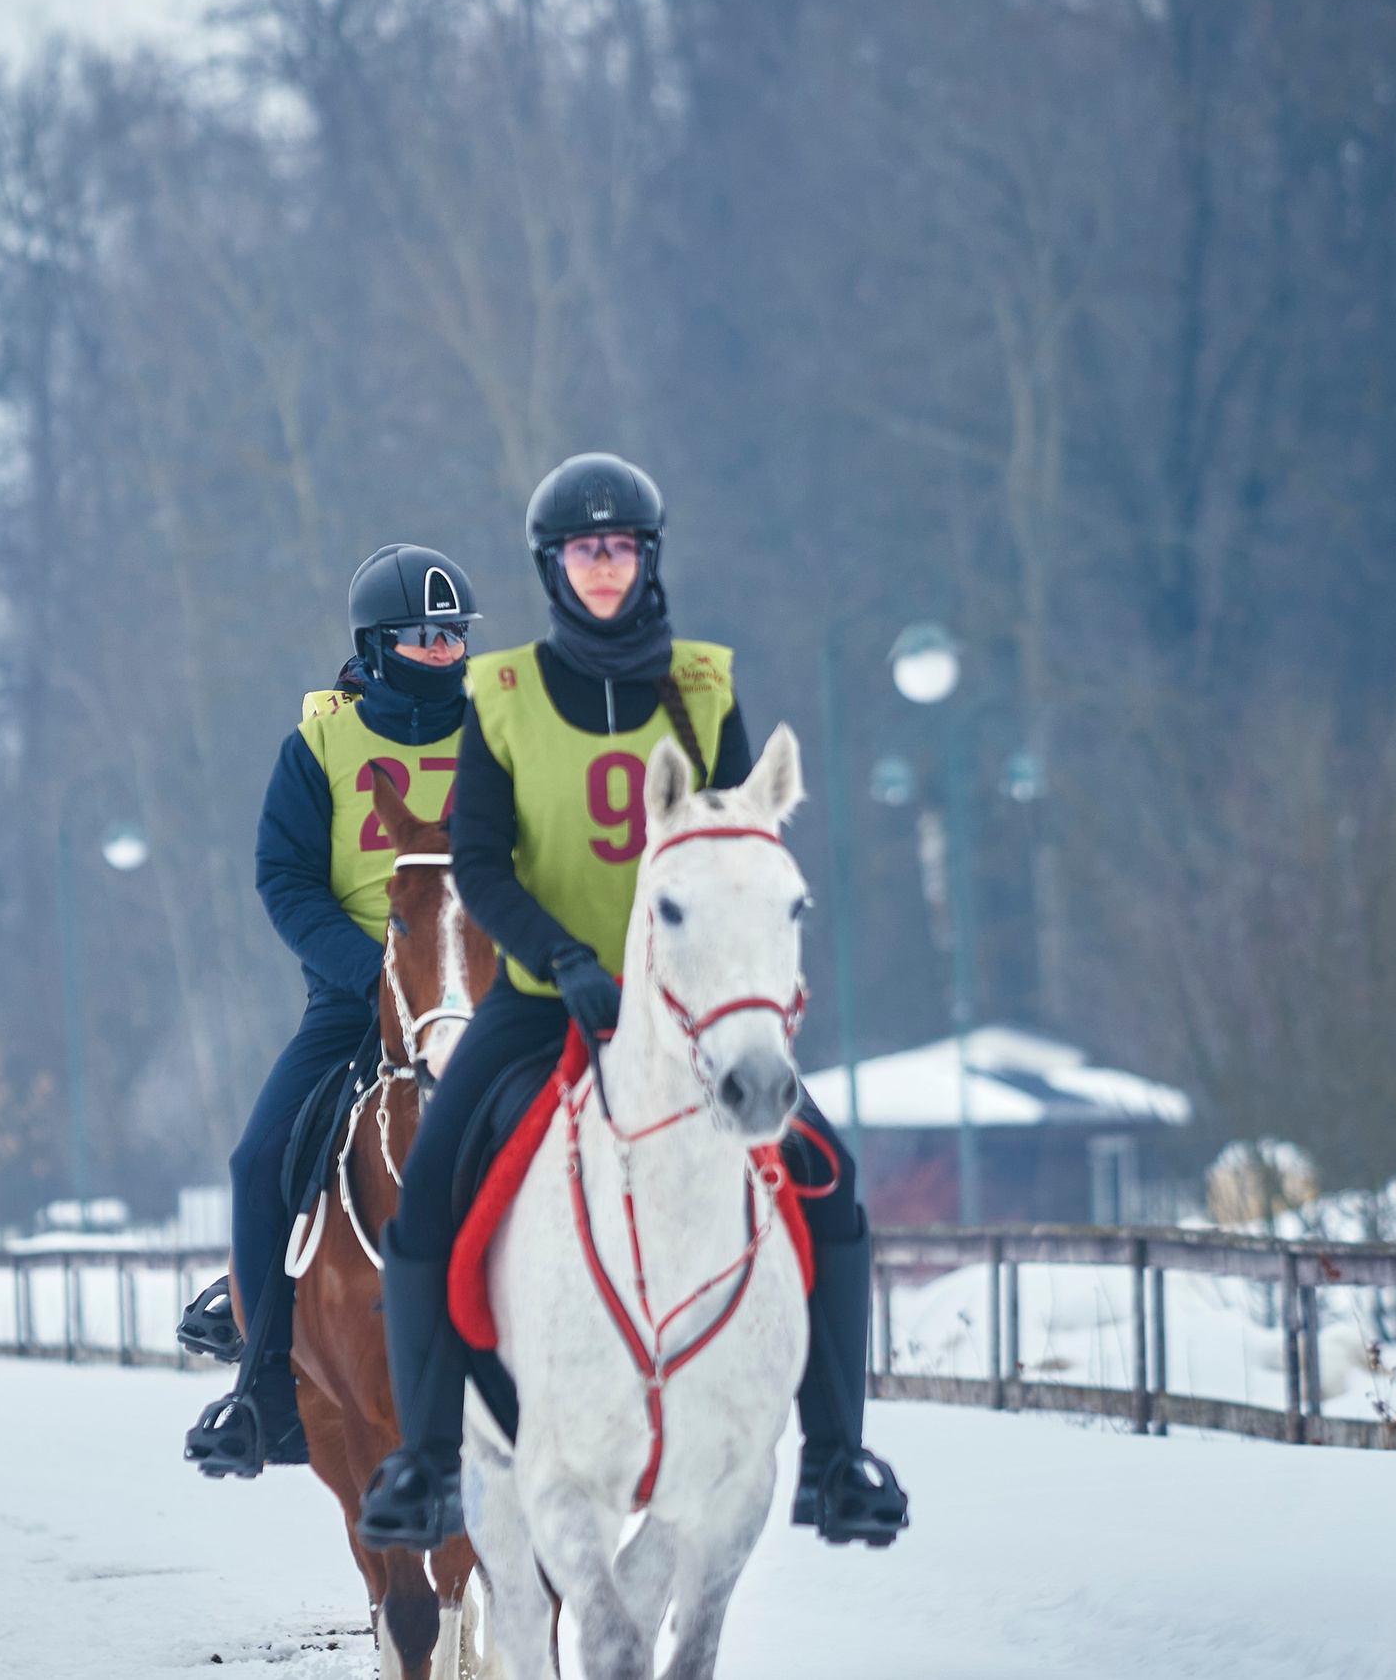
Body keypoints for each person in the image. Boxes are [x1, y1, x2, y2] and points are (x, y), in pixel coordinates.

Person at [354, 453, 911, 1550]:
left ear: (645, 560)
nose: (600, 568)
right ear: (551, 566)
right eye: (580, 550)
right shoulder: (502, 693)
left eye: (619, 548)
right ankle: (426, 1463)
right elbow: (478, 860)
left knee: (830, 1186)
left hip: (690, 1009)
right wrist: (562, 960)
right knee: (426, 1205)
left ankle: (837, 1457)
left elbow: (742, 844)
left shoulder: (702, 685)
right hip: (542, 997)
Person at [183, 543, 482, 1478]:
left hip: (485, 997)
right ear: (376, 645)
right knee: (261, 1155)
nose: (442, 652)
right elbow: (285, 879)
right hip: (357, 998)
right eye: (422, 638)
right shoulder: (316, 749)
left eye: (452, 636)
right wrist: (375, 973)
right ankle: (264, 1386)